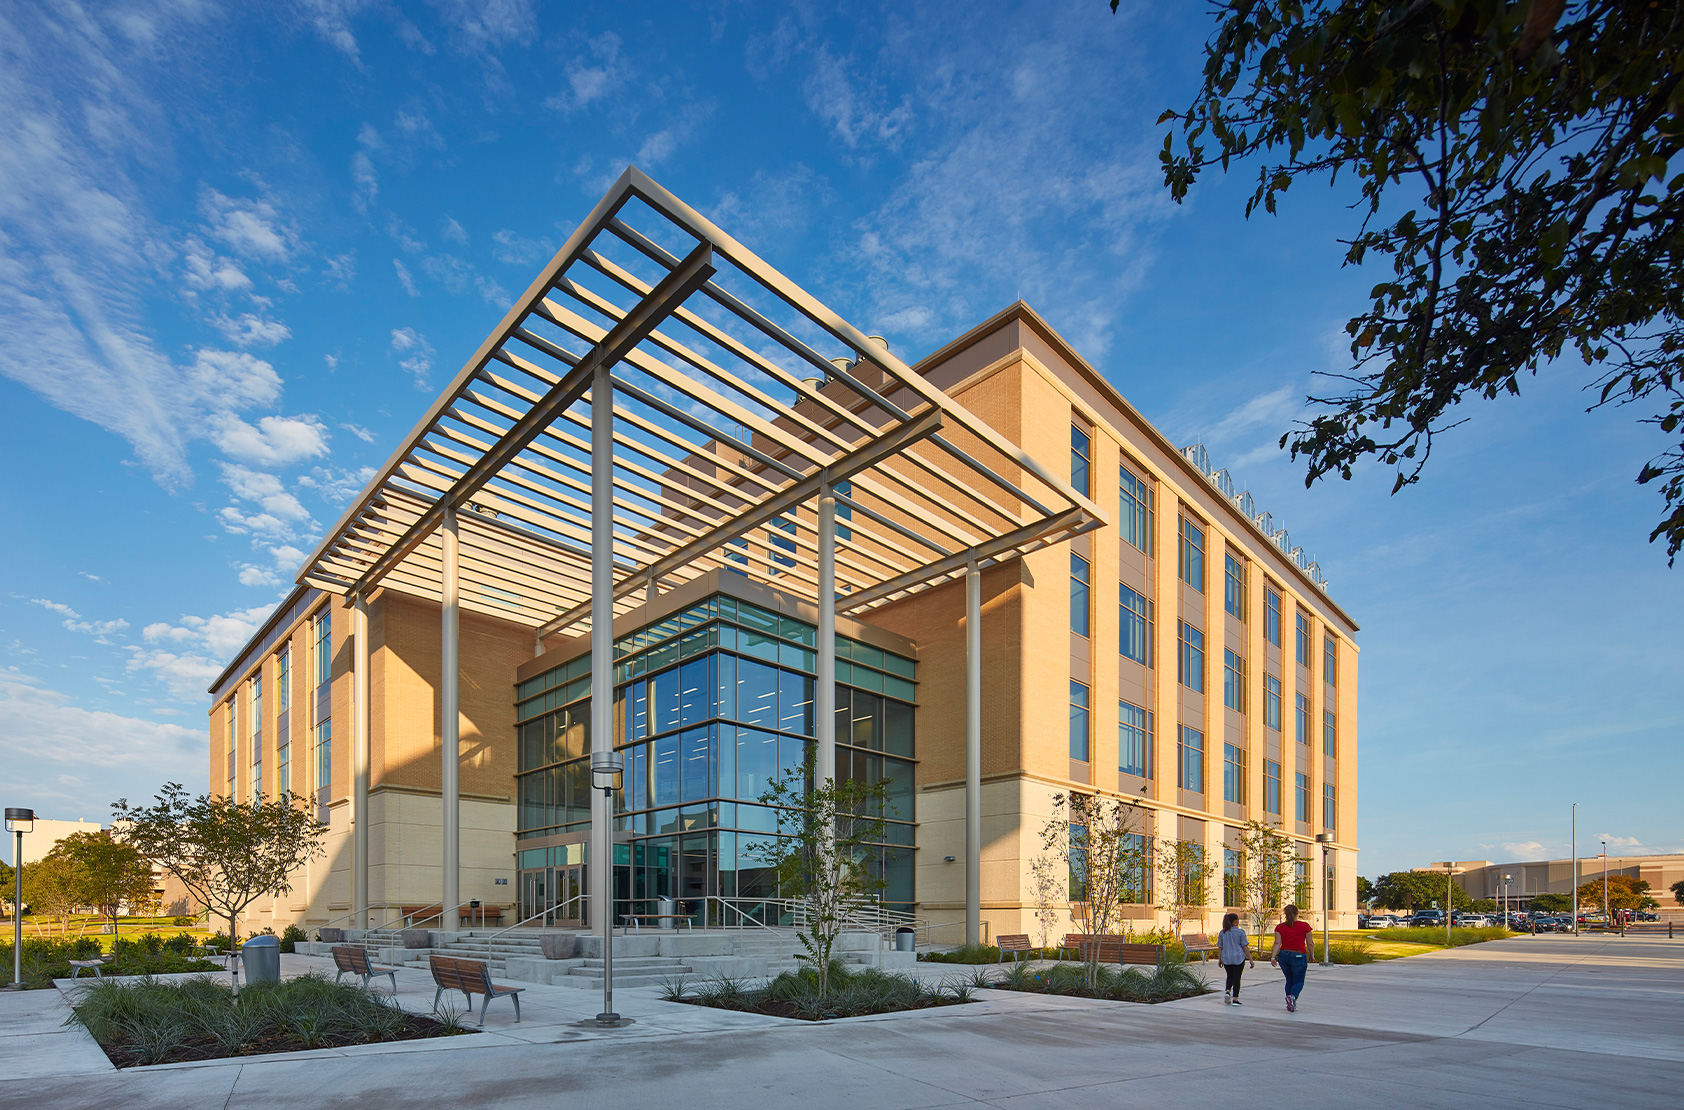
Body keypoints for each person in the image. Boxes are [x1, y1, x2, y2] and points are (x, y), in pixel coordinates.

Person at [1270, 903, 1314, 1012]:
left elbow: (1277, 943)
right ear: (1297, 913)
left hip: (1284, 955)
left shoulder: (1280, 927)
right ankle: (1293, 997)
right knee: (1298, 981)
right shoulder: (1305, 926)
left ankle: (1290, 1001)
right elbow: (1310, 943)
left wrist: (1273, 957)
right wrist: (1312, 954)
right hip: (1298, 955)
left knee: (1289, 979)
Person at [1217, 912, 1253, 1005]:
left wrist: (1219, 959)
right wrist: (1250, 959)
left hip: (1226, 958)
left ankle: (1228, 991)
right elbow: (1245, 946)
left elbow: (1220, 947)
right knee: (1237, 978)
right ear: (1235, 922)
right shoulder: (1240, 932)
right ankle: (1235, 998)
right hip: (1238, 957)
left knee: (1229, 976)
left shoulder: (1222, 932)